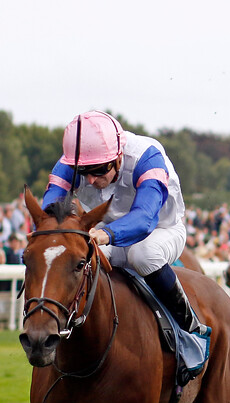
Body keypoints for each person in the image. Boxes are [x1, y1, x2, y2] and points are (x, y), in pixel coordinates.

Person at [42, 111, 209, 343]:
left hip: (161, 229)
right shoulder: (73, 161)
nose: (90, 179)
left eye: (99, 170)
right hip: (105, 230)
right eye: (83, 172)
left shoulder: (147, 157)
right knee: (80, 256)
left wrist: (106, 234)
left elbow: (144, 219)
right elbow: (49, 209)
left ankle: (188, 323)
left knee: (142, 254)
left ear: (118, 156)